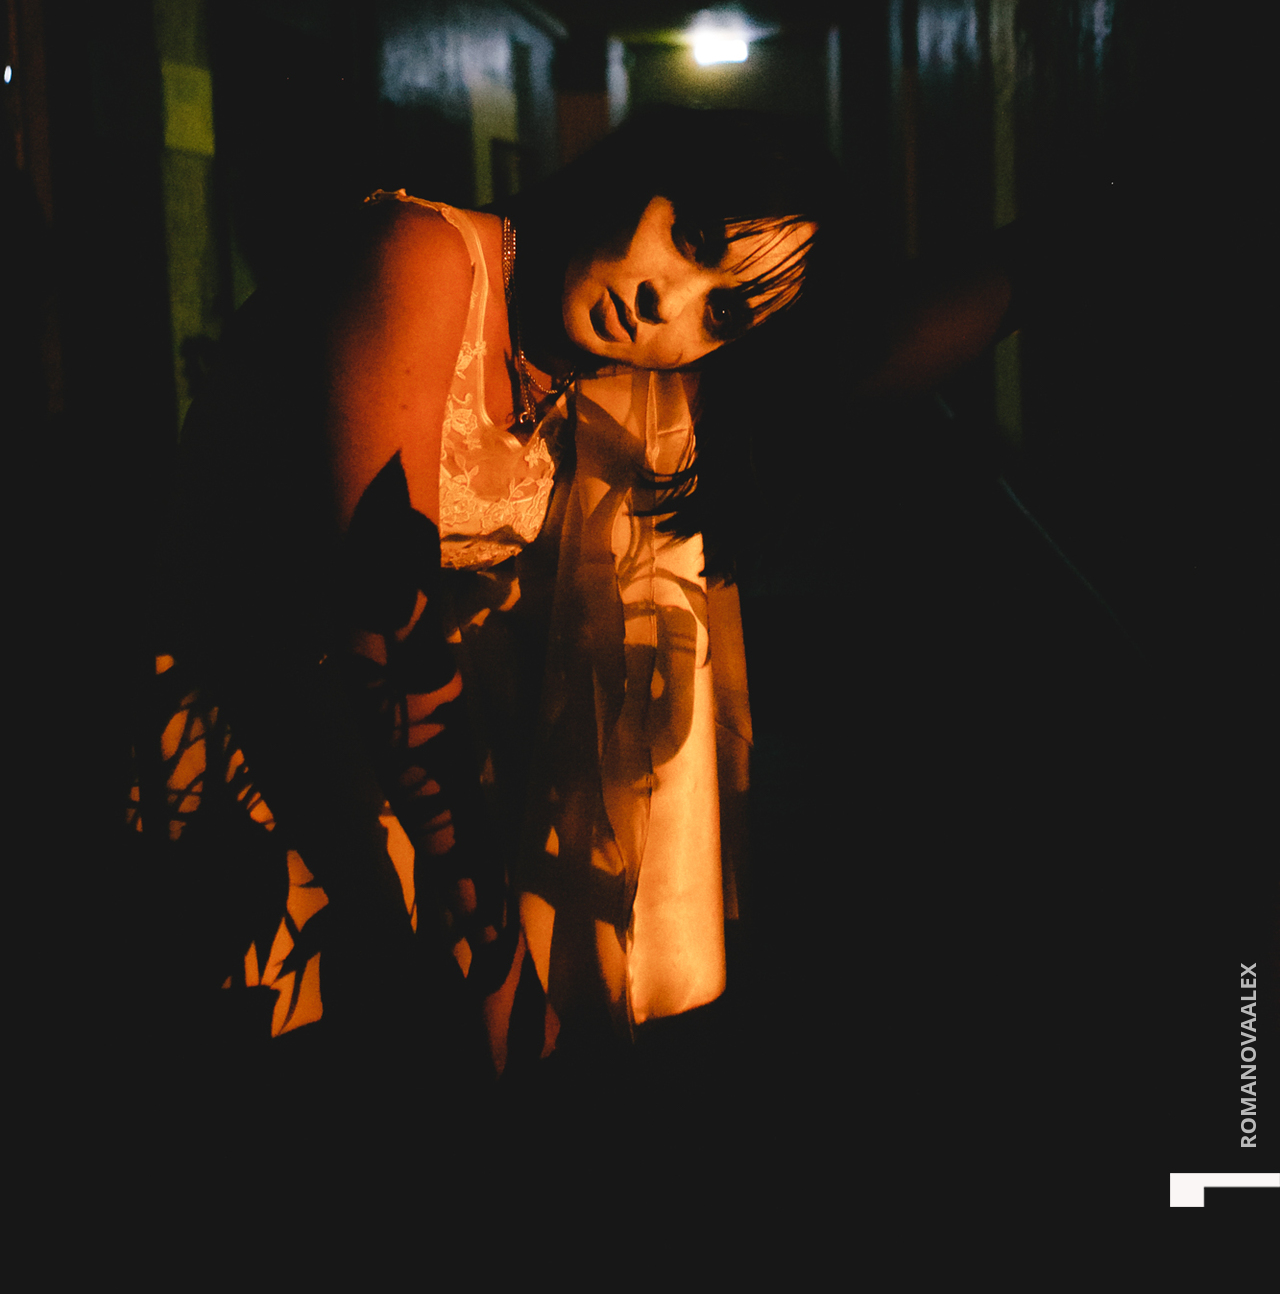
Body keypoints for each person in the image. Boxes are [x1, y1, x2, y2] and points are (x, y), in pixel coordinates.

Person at [125, 101, 1023, 1125]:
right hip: (233, 757)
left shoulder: (598, 374)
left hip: (382, 793)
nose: (663, 301)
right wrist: (494, 960)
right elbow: (384, 625)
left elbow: (857, 364)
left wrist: (1048, 254)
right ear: (641, 171)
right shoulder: (420, 256)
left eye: (721, 312)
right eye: (690, 239)